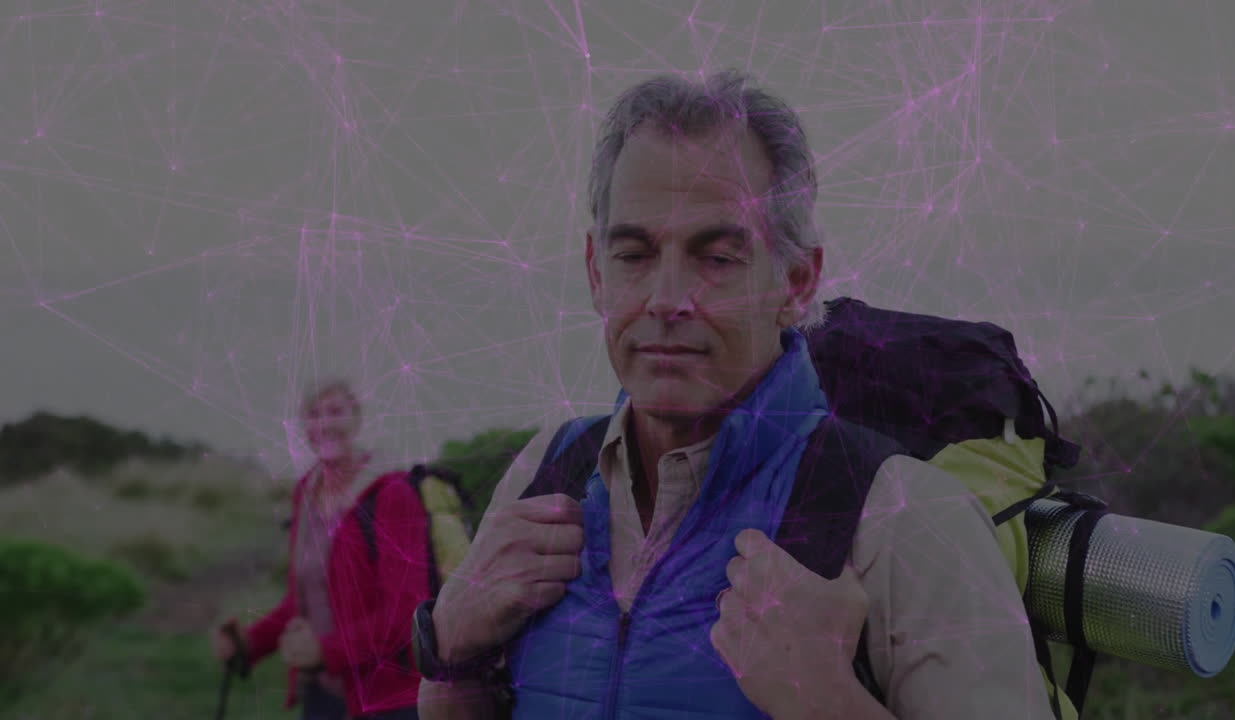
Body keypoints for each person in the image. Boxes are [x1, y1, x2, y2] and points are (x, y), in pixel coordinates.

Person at [415, 70, 1056, 718]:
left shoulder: (906, 518)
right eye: (634, 255)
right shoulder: (547, 473)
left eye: (717, 258)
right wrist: (449, 649)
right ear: (595, 272)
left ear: (797, 283)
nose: (667, 299)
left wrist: (830, 703)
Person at [211, 379, 432, 720]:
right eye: (314, 414)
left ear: (356, 420)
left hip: (387, 699)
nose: (324, 424)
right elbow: (301, 602)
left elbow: (406, 613)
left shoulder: (392, 493)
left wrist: (325, 650)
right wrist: (249, 643)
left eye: (335, 412)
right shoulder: (306, 493)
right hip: (324, 693)